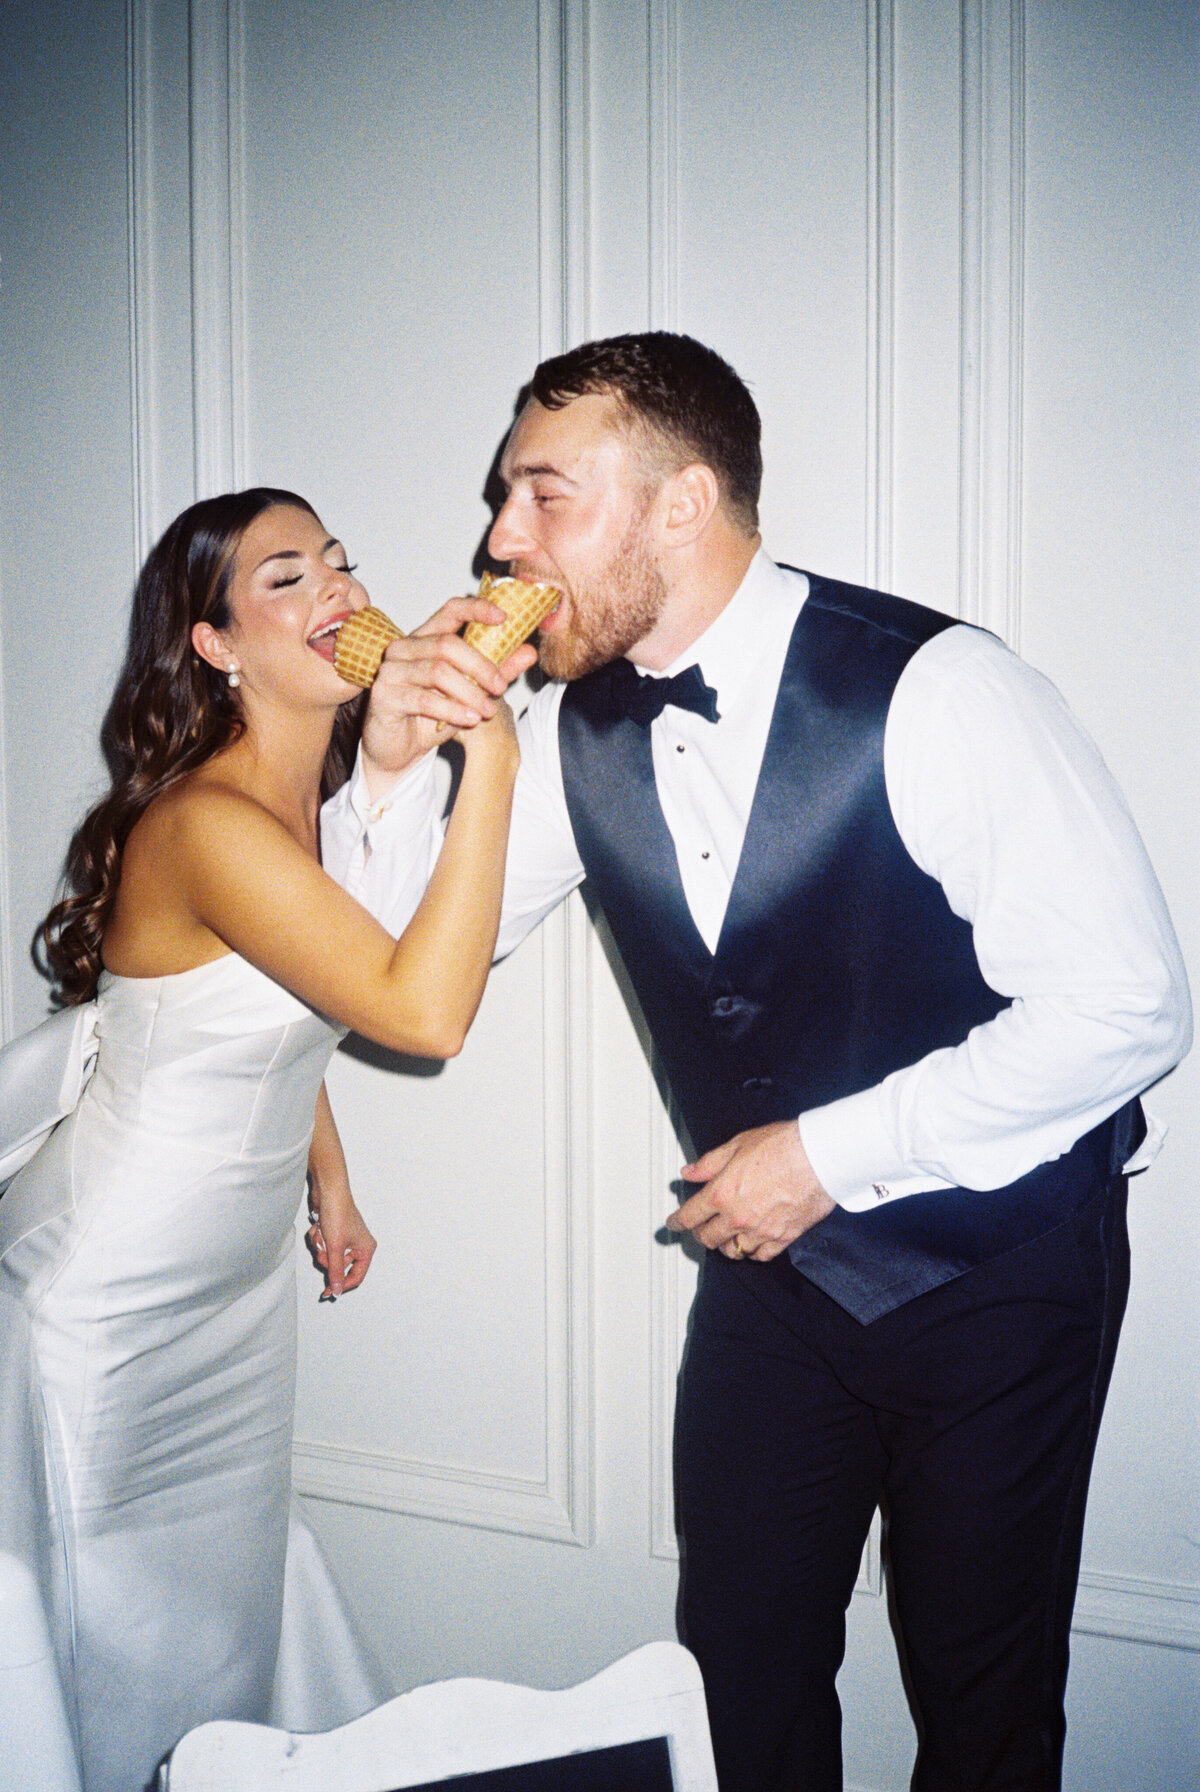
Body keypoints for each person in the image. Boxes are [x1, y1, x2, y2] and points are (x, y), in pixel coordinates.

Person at [321, 333, 1192, 1792]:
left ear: (682, 503)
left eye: (544, 495)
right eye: (504, 499)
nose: (496, 539)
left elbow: (1127, 1008)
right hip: (769, 1286)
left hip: (1001, 1271)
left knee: (983, 1697)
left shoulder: (938, 686)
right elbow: (403, 985)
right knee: (736, 1671)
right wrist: (393, 771)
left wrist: (825, 1157)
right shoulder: (561, 731)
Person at [0, 487, 523, 1792]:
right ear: (216, 643)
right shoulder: (209, 826)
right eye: (286, 578)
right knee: (102, 1647)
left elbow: (281, 1017)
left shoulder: (309, 809)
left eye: (338, 563)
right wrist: (494, 757)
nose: (337, 592)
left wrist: (328, 1185)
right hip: (107, 1307)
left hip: (231, 1301)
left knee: (217, 1640)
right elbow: (420, 1009)